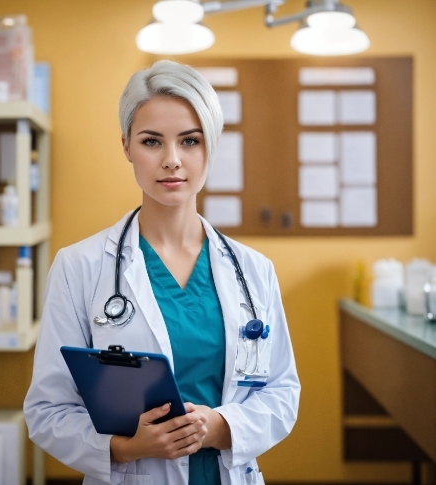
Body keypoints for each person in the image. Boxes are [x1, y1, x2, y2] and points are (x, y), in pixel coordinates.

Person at [24, 60, 300, 485]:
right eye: (152, 141)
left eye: (190, 141)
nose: (172, 160)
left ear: (211, 146)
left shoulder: (254, 271)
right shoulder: (79, 266)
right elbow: (48, 412)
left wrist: (219, 428)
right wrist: (127, 448)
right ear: (126, 147)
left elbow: (282, 394)